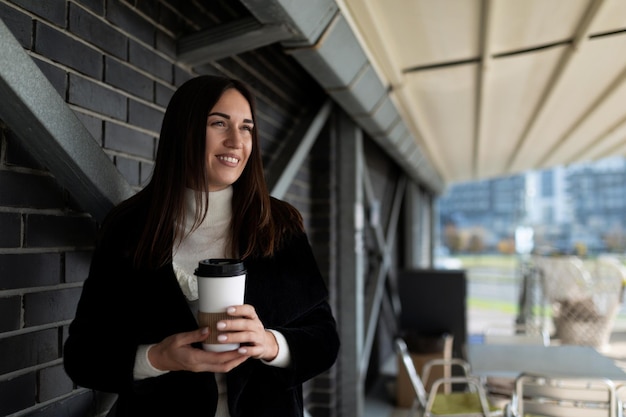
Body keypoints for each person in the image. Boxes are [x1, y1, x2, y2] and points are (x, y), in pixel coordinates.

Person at [63, 75, 340, 417]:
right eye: (218, 123)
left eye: (247, 127)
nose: (236, 141)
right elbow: (82, 357)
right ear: (185, 131)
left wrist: (269, 343)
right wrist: (158, 357)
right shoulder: (129, 228)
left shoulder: (280, 225)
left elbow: (325, 340)